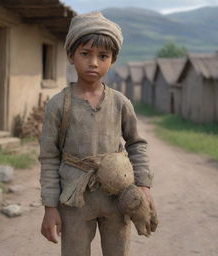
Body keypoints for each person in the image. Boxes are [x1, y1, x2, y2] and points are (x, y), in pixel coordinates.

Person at [39, 11, 155, 256]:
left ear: (112, 60)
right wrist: (50, 206)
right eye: (85, 54)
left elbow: (136, 143)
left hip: (117, 196)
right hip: (74, 200)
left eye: (103, 56)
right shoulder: (59, 105)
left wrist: (143, 185)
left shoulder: (120, 103)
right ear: (71, 55)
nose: (94, 62)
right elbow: (49, 157)